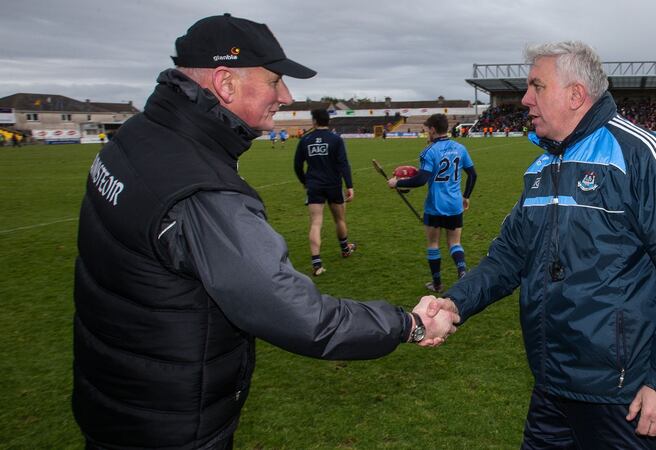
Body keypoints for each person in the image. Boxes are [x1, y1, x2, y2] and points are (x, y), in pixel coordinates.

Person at [71, 14, 459, 450]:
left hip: (117, 396)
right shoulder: (203, 190)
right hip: (169, 420)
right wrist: (407, 324)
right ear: (226, 83)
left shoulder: (140, 135)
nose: (286, 96)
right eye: (275, 80)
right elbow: (295, 313)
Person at [424, 41, 656, 448]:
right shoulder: (543, 167)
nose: (525, 99)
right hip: (552, 385)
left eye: (536, 86)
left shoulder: (640, 155)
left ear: (576, 94)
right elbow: (507, 257)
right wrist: (454, 304)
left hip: (624, 396)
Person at [388, 113, 477, 292]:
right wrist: (466, 196)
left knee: (433, 244)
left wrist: (397, 183)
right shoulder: (460, 148)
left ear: (433, 130)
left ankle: (437, 284)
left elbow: (421, 179)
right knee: (455, 243)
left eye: (427, 129)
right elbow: (473, 175)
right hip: (454, 204)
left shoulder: (429, 151)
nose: (426, 133)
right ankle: (462, 273)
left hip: (435, 205)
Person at [293, 108, 356, 276]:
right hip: (333, 185)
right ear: (329, 121)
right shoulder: (335, 140)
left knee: (315, 223)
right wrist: (349, 185)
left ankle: (317, 263)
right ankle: (345, 249)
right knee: (340, 219)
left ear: (314, 121)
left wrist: (305, 182)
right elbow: (343, 164)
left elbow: (297, 165)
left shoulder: (305, 140)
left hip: (314, 185)